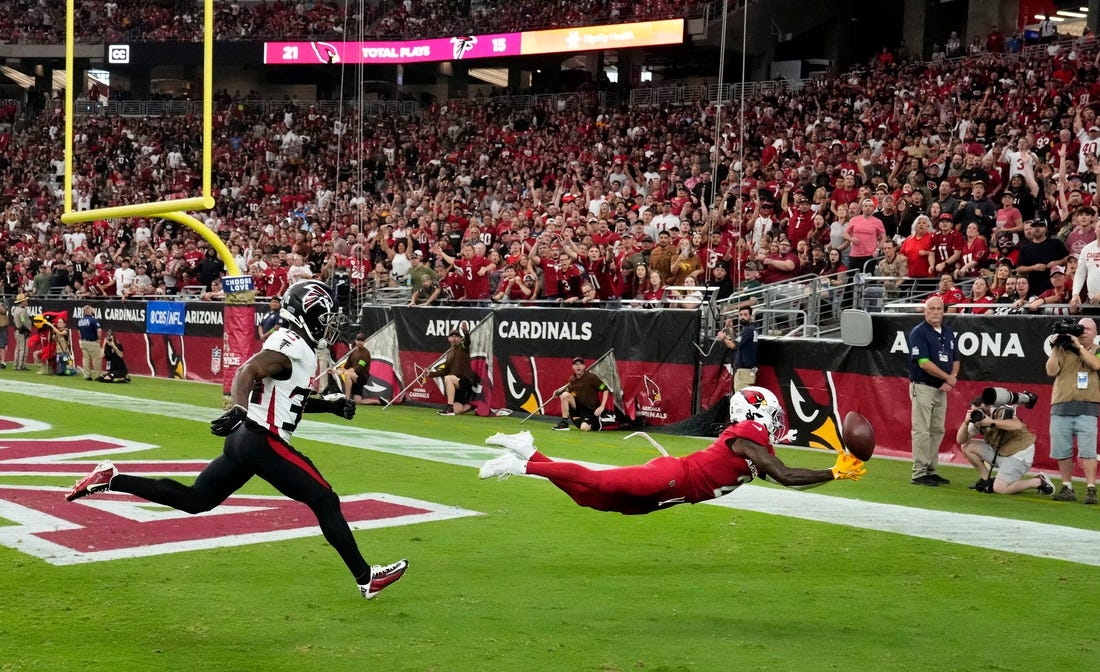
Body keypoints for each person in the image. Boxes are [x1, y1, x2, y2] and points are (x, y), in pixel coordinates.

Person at [64, 280, 408, 600]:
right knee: (325, 499)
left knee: (196, 499)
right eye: (324, 317)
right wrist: (239, 407)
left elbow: (288, 400)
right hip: (262, 439)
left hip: (245, 440)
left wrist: (328, 405)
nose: (327, 325)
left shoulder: (289, 342)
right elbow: (248, 371)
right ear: (307, 315)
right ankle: (366, 577)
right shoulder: (293, 347)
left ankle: (113, 478)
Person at [478, 387, 866, 514]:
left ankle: (530, 452)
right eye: (772, 413)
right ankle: (522, 464)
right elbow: (785, 474)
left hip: (675, 493)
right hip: (672, 476)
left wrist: (832, 472)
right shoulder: (747, 434)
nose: (777, 421)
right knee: (595, 481)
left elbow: (788, 479)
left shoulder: (755, 444)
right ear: (756, 412)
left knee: (586, 499)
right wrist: (834, 471)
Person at [1044, 317, 1100, 504]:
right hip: (1061, 405)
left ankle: (1091, 488)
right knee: (1062, 450)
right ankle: (1067, 486)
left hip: (1087, 406)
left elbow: (1096, 365)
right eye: (1081, 328)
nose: (1084, 331)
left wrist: (1079, 347)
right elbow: (1051, 371)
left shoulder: (1098, 351)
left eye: (1088, 329)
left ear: (1096, 333)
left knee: (1088, 452)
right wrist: (1054, 348)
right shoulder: (1062, 348)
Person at [957, 395, 1054, 495]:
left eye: (981, 410)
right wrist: (965, 423)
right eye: (974, 411)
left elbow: (1017, 425)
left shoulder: (1001, 411)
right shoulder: (978, 420)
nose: (979, 413)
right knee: (967, 446)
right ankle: (986, 480)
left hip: (1018, 453)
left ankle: (1039, 481)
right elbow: (960, 440)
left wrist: (992, 422)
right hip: (1001, 453)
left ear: (988, 407)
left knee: (1000, 489)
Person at [908, 296, 959, 486]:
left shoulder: (948, 332)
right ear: (925, 310)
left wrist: (951, 379)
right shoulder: (918, 333)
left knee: (937, 430)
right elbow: (923, 363)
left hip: (941, 389)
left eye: (939, 309)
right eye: (932, 309)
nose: (936, 312)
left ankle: (931, 468)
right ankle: (918, 472)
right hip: (923, 386)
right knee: (921, 430)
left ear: (943, 311)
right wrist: (947, 378)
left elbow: (956, 359)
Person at [425, 324, 478, 416]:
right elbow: (445, 371)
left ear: (460, 338)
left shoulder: (463, 347)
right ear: (448, 339)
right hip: (456, 384)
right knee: (457, 411)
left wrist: (466, 332)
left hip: (465, 381)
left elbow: (467, 342)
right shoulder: (449, 353)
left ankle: (449, 407)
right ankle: (472, 405)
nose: (454, 338)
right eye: (452, 336)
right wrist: (430, 374)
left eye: (456, 336)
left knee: (448, 378)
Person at [554, 357, 612, 432]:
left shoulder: (592, 377)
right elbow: (567, 389)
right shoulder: (572, 379)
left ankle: (595, 422)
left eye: (580, 364)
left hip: (591, 410)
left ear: (584, 366)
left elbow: (605, 390)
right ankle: (564, 423)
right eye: (576, 364)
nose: (578, 366)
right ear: (573, 367)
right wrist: (558, 392)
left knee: (584, 428)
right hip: (580, 409)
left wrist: (602, 407)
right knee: (565, 395)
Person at [716, 307, 758, 392]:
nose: (742, 317)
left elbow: (733, 346)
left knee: (741, 399)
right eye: (740, 315)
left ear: (750, 316)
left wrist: (723, 338)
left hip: (744, 371)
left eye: (745, 315)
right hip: (748, 370)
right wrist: (730, 327)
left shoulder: (748, 330)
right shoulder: (751, 329)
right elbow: (737, 341)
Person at [339, 332, 379, 405]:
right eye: (358, 340)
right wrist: (334, 371)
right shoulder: (353, 352)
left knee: (347, 374)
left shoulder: (366, 353)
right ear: (355, 341)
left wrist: (346, 371)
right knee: (358, 401)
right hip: (354, 376)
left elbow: (359, 368)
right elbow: (346, 366)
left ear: (364, 342)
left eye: (362, 341)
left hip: (362, 377)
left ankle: (346, 398)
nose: (360, 342)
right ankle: (377, 401)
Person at [75, 305, 104, 381]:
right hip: (92, 342)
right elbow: (99, 330)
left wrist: (82, 339)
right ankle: (98, 375)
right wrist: (99, 339)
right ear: (88, 311)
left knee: (86, 359)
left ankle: (87, 375)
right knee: (96, 359)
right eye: (92, 310)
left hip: (83, 342)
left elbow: (79, 331)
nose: (93, 311)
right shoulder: (93, 320)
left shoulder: (80, 321)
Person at [11, 293, 31, 371]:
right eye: (25, 300)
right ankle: (21, 365)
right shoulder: (23, 310)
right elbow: (23, 321)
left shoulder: (16, 309)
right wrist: (26, 329)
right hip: (23, 332)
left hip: (17, 331)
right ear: (22, 302)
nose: (26, 301)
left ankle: (15, 364)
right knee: (24, 349)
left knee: (18, 348)